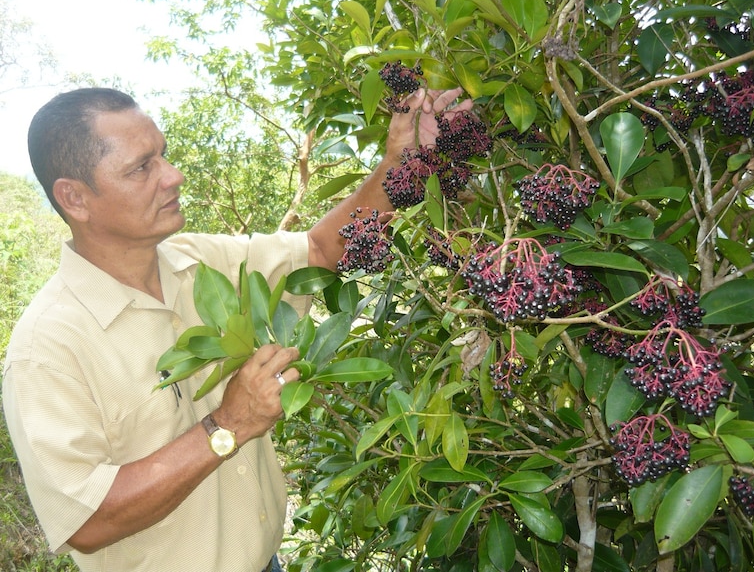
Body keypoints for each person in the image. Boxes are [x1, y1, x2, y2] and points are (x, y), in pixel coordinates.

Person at [1, 85, 472, 572]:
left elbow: (319, 252)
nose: (173, 176)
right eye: (142, 168)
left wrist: (399, 162)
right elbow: (87, 521)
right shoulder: (47, 347)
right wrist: (227, 426)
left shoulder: (197, 262)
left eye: (163, 155)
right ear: (74, 198)